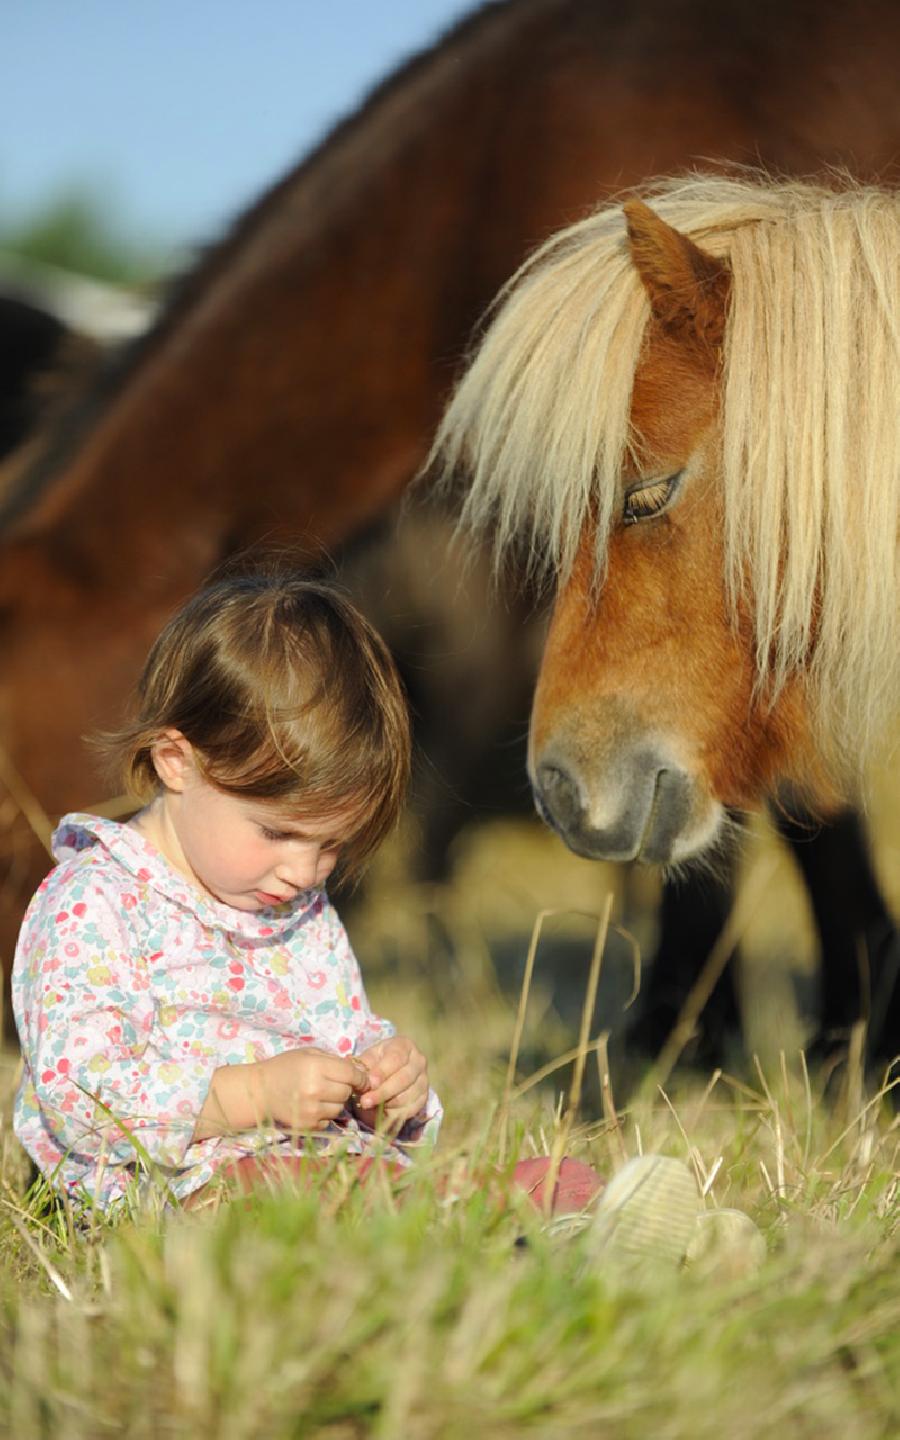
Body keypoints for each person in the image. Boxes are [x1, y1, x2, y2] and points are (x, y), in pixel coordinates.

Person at [11, 564, 764, 1275]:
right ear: (177, 762)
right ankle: (543, 1257)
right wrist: (253, 1097)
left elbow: (340, 1035)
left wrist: (388, 1088)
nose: (306, 872)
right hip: (184, 1197)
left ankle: (607, 1226)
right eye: (278, 833)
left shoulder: (290, 904)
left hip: (335, 1174)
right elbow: (82, 1097)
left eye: (332, 844)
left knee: (520, 1177)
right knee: (300, 1198)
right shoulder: (94, 904)